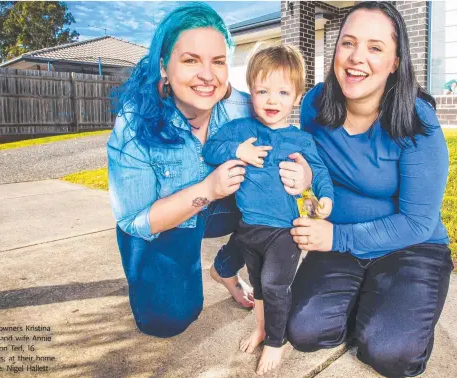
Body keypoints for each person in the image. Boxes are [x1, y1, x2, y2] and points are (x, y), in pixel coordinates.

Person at [106, 3, 309, 338]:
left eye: (217, 62)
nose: (207, 75)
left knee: (273, 208)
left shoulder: (245, 106)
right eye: (190, 60)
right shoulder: (135, 123)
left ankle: (225, 268)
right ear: (164, 67)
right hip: (164, 220)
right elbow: (135, 219)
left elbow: (290, 144)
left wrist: (305, 178)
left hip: (224, 206)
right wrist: (209, 189)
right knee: (168, 320)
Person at [286, 2, 453, 378]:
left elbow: (417, 222)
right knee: (303, 331)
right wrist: (307, 196)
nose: (356, 58)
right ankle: (369, 296)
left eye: (375, 48)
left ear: (395, 61)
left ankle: (397, 305)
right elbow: (315, 173)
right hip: (339, 245)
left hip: (410, 246)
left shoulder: (416, 119)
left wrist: (336, 235)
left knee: (391, 353)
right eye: (348, 43)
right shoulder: (315, 104)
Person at [203, 45, 334, 375]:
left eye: (282, 92)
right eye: (262, 91)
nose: (272, 100)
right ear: (251, 92)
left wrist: (325, 199)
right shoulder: (241, 130)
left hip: (284, 231)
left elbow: (318, 172)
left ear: (297, 96)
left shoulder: (300, 140)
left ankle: (276, 341)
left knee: (276, 286)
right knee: (260, 286)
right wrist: (237, 150)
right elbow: (210, 148)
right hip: (249, 228)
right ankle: (261, 328)